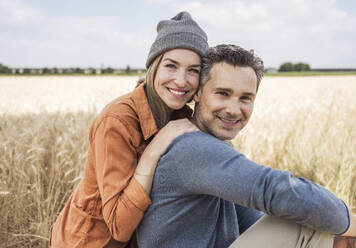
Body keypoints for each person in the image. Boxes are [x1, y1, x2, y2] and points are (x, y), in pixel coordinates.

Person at [136, 44, 356, 248]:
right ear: (198, 93)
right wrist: (349, 222)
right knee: (305, 225)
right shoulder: (192, 149)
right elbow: (274, 189)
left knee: (309, 218)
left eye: (245, 98)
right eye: (223, 93)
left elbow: (250, 221)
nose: (233, 109)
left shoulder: (211, 148)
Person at [49, 11, 208, 248]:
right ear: (154, 67)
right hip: (88, 242)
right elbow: (119, 227)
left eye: (193, 70)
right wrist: (156, 148)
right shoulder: (117, 121)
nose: (181, 80)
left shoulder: (180, 116)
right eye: (171, 66)